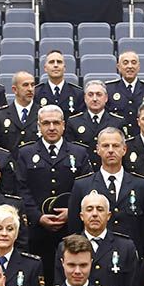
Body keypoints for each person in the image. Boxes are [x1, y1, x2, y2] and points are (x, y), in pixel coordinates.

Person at [15, 104, 93, 273]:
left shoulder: (79, 153)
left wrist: (71, 212)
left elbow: (87, 187)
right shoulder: (25, 153)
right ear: (39, 126)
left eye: (56, 123)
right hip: (36, 231)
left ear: (63, 125)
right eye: (46, 123)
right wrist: (38, 216)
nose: (51, 128)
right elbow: (21, 189)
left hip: (70, 229)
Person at [67, 127, 144, 249]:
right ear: (97, 150)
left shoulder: (141, 185)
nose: (111, 150)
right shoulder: (82, 185)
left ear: (124, 149)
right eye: (106, 146)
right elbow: (74, 229)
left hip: (131, 258)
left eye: (116, 146)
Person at [58, 191, 141, 286]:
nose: (95, 214)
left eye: (100, 209)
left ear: (109, 216)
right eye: (89, 209)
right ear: (82, 216)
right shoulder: (65, 246)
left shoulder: (125, 247)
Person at [66, 81, 127, 154]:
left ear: (106, 98)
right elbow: (70, 149)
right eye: (90, 95)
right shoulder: (73, 122)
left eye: (99, 94)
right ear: (85, 98)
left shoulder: (118, 122)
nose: (94, 99)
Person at [0, 70, 40, 152]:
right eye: (25, 85)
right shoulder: (0, 115)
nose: (30, 89)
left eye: (32, 85)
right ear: (15, 89)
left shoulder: (42, 113)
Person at [106, 52, 144, 129]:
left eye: (133, 63)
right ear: (118, 67)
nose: (130, 66)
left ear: (138, 67)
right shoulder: (109, 89)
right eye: (125, 63)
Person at [34, 49, 84, 114]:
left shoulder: (78, 93)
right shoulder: (36, 93)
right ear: (45, 68)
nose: (55, 65)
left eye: (59, 62)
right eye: (51, 62)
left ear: (64, 67)